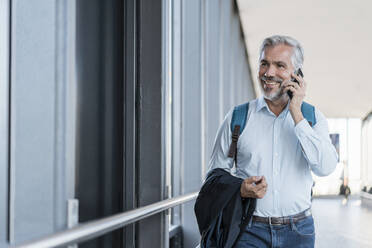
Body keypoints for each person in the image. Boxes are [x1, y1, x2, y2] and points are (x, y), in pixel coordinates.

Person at [206, 35, 338, 248]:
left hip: (299, 232)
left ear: (297, 74)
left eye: (280, 65)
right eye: (264, 63)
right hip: (247, 231)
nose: (268, 73)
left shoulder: (312, 117)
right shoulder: (237, 117)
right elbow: (214, 177)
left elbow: (326, 167)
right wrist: (240, 189)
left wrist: (296, 113)